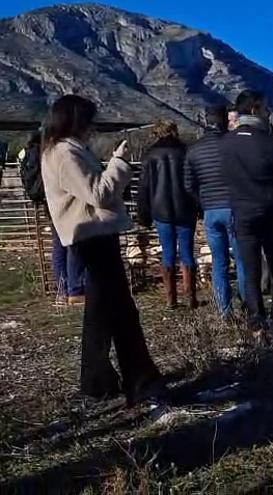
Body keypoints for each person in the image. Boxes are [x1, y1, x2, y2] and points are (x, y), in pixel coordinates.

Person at [40, 95, 167, 405]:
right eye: (90, 121)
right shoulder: (64, 154)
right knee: (121, 312)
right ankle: (138, 378)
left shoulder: (64, 151)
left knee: (102, 313)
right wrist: (119, 162)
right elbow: (99, 192)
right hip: (92, 238)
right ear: (77, 121)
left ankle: (98, 381)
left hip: (92, 236)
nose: (93, 127)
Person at [221, 90, 273, 345]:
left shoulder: (226, 144)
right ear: (254, 110)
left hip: (242, 214)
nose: (268, 113)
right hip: (272, 212)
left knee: (250, 271)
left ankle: (256, 326)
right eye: (265, 108)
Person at [185, 106, 246, 316]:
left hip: (211, 210)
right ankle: (248, 307)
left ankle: (224, 311)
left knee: (219, 262)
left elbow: (188, 185)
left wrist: (203, 202)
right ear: (225, 121)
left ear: (204, 120)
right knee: (241, 260)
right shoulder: (236, 145)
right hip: (235, 208)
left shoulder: (194, 150)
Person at [18, 130, 86, 306]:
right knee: (72, 243)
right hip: (61, 200)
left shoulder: (32, 152)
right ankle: (75, 289)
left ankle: (62, 289)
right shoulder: (52, 152)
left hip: (49, 202)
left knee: (59, 244)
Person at [137, 121, 199, 309]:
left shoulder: (151, 155)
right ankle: (191, 297)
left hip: (160, 210)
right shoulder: (186, 152)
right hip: (186, 209)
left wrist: (143, 214)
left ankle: (170, 299)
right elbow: (195, 183)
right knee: (187, 253)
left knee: (168, 253)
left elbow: (144, 188)